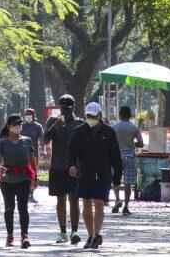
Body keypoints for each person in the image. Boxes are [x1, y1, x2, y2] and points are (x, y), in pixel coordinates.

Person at [66, 102, 123, 250]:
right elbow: (70, 151)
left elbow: (116, 156)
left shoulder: (109, 132)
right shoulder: (79, 131)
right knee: (86, 203)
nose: (90, 118)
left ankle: (97, 234)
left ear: (100, 116)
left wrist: (117, 177)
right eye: (88, 115)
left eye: (93, 115)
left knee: (99, 203)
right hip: (84, 173)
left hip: (103, 174)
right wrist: (71, 166)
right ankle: (90, 236)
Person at [44, 94, 83, 245]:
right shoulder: (53, 121)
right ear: (59, 107)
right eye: (62, 107)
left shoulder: (79, 123)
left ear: (73, 107)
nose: (65, 110)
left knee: (74, 199)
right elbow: (45, 139)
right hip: (57, 166)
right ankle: (62, 232)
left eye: (68, 107)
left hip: (73, 168)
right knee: (60, 200)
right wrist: (54, 128)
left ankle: (74, 231)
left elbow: (84, 146)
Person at [0, 113, 37, 249]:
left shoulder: (27, 140)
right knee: (9, 208)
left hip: (24, 178)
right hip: (7, 180)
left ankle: (24, 236)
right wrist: (0, 166)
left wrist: (35, 178)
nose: (18, 126)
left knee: (23, 207)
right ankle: (10, 235)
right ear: (9, 126)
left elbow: (32, 160)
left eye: (20, 123)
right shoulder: (3, 142)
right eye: (15, 124)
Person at [110, 105, 144, 215]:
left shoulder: (114, 127)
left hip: (116, 157)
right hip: (129, 156)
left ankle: (117, 199)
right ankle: (126, 206)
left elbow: (109, 142)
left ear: (119, 114)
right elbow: (141, 143)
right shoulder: (134, 127)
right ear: (130, 115)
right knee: (128, 182)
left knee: (116, 179)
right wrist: (132, 144)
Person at [19, 107, 44, 203]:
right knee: (22, 174)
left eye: (30, 114)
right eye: (26, 114)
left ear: (34, 116)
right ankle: (22, 194)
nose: (28, 116)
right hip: (21, 154)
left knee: (32, 175)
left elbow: (41, 140)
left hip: (34, 155)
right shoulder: (21, 126)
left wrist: (44, 150)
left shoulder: (38, 127)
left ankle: (31, 194)